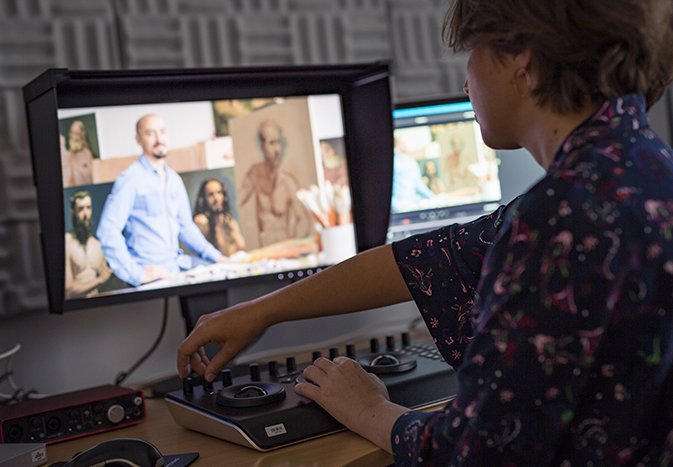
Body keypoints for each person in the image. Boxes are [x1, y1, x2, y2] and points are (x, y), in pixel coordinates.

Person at [177, 1, 673, 465]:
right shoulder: (642, 170)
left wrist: (368, 408)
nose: (465, 81)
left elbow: (474, 455)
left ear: (521, 61)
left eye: (471, 55)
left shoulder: (557, 215)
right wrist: (261, 312)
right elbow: (438, 257)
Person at [97, 114, 224, 287]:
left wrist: (218, 258)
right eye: (150, 133)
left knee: (225, 277)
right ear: (138, 139)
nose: (158, 139)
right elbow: (107, 231)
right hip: (152, 273)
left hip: (177, 265)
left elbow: (186, 228)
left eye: (162, 132)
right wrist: (137, 275)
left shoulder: (174, 179)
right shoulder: (130, 179)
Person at [238, 119, 311, 246]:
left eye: (278, 142)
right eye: (271, 143)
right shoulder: (254, 174)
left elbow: (304, 220)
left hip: (286, 251)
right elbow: (237, 201)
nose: (277, 149)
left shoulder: (287, 182)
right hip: (266, 252)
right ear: (262, 146)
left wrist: (294, 244)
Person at [64, 190, 111, 298]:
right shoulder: (67, 242)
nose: (85, 214)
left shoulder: (98, 245)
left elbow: (106, 281)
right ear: (73, 212)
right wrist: (99, 281)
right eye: (81, 209)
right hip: (76, 308)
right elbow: (67, 291)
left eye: (88, 208)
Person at [193, 178, 246, 257]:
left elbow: (241, 246)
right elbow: (196, 251)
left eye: (219, 192)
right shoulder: (201, 221)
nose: (216, 198)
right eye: (211, 194)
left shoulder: (228, 219)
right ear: (204, 199)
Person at [391, 136, 436, 212]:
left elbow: (419, 184)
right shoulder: (393, 162)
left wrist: (434, 198)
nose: (405, 145)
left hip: (412, 204)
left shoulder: (412, 162)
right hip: (399, 206)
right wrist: (396, 204)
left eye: (406, 143)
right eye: (402, 143)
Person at [62, 120, 94, 187]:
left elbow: (90, 177)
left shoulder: (87, 154)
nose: (74, 137)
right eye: (72, 133)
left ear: (81, 135)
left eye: (77, 134)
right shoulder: (68, 155)